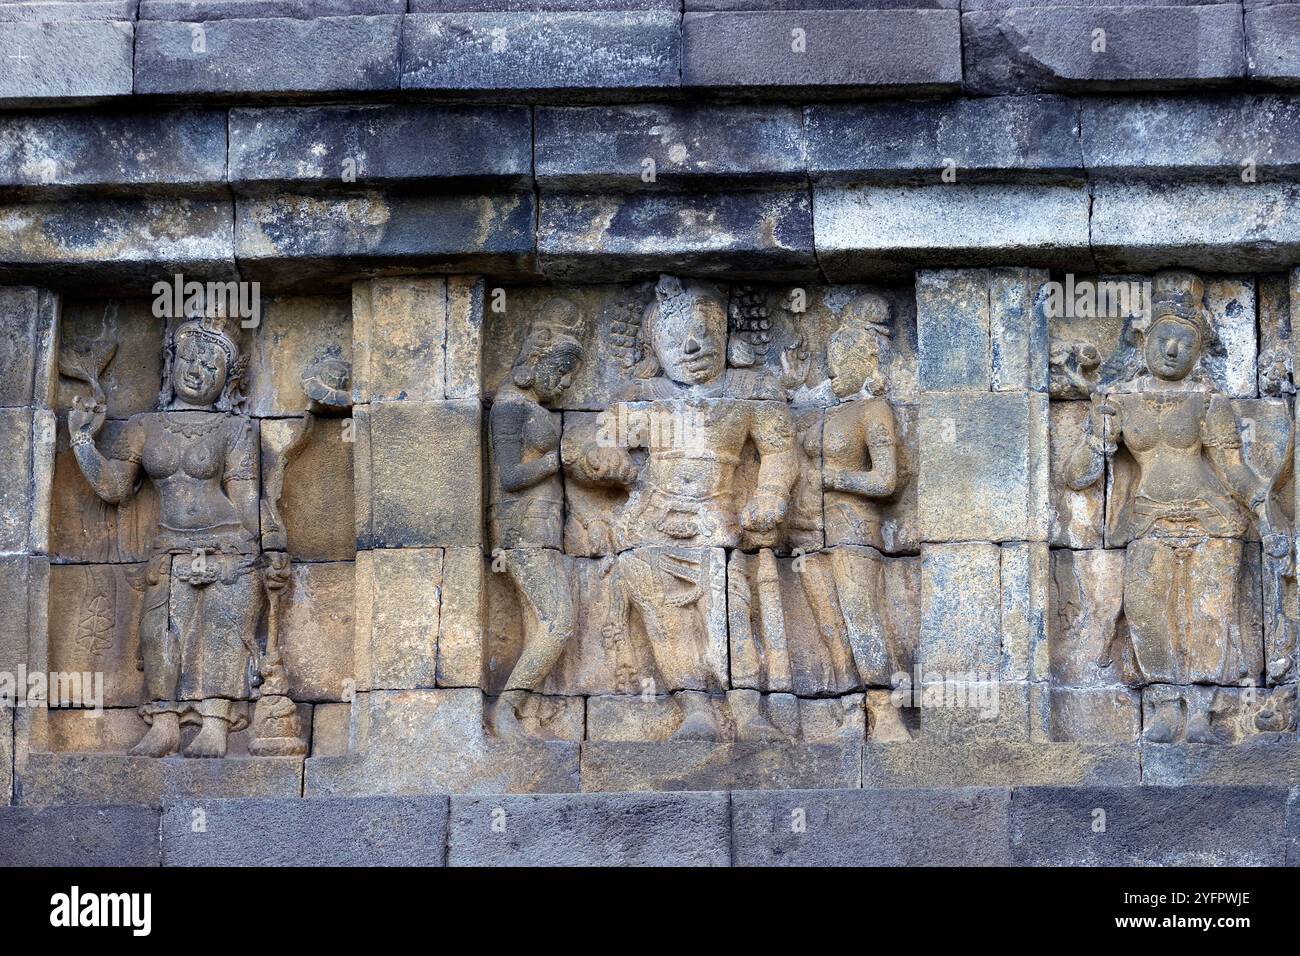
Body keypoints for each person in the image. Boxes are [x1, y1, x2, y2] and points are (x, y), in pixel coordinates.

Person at [68, 314, 262, 757]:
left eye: (212, 366)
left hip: (227, 546)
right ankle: (165, 724)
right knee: (160, 636)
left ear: (228, 379)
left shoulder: (234, 429)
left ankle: (214, 724)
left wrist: (268, 546)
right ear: (171, 361)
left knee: (222, 631)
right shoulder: (144, 426)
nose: (198, 372)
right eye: (191, 359)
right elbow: (116, 488)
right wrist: (82, 440)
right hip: (169, 547)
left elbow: (246, 498)